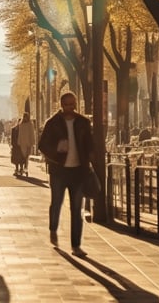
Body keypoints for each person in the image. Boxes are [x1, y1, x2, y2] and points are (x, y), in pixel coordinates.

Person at [38, 92, 91, 257]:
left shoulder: (83, 122)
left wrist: (91, 162)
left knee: (77, 209)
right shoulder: (53, 123)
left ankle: (76, 245)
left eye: (72, 104)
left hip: (78, 171)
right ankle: (53, 228)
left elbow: (90, 145)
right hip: (59, 171)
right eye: (67, 104)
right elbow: (42, 145)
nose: (70, 107)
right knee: (57, 203)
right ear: (62, 105)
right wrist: (56, 150)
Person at [12, 112, 36, 177]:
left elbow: (32, 134)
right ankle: (23, 168)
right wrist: (19, 142)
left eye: (26, 117)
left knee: (26, 156)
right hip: (22, 143)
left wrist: (32, 142)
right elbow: (20, 134)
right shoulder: (21, 124)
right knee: (22, 156)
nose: (25, 118)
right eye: (24, 117)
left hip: (28, 143)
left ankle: (25, 167)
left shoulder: (30, 124)